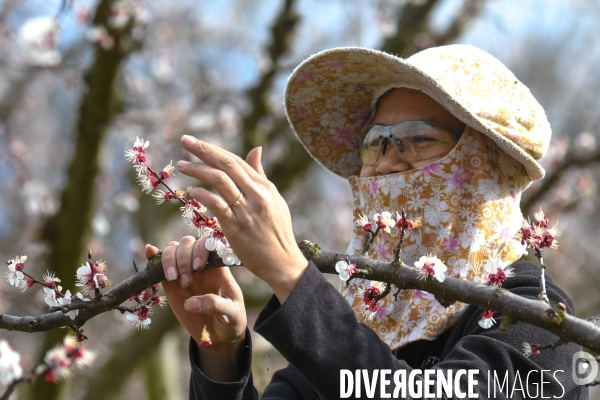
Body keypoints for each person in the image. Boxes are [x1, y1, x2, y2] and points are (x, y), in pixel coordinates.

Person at [145, 45, 588, 399]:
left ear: (483, 165)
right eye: (375, 143)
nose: (383, 164)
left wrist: (290, 275)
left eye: (418, 140)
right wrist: (221, 357)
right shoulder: (363, 326)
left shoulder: (535, 319)